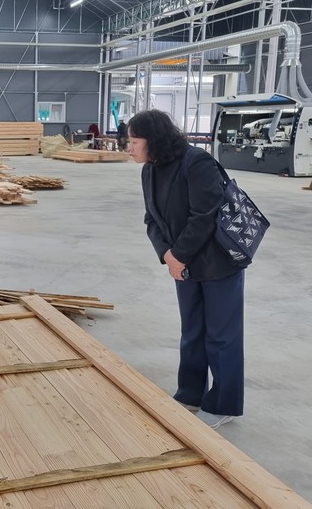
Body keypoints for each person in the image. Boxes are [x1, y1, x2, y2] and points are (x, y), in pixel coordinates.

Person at [127, 109, 245, 430]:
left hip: (218, 263)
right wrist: (167, 254)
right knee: (192, 331)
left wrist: (178, 255)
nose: (129, 148)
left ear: (154, 140)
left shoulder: (196, 163)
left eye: (134, 141)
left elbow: (205, 215)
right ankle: (190, 394)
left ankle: (223, 404)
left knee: (221, 335)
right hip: (183, 264)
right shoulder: (150, 170)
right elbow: (152, 218)